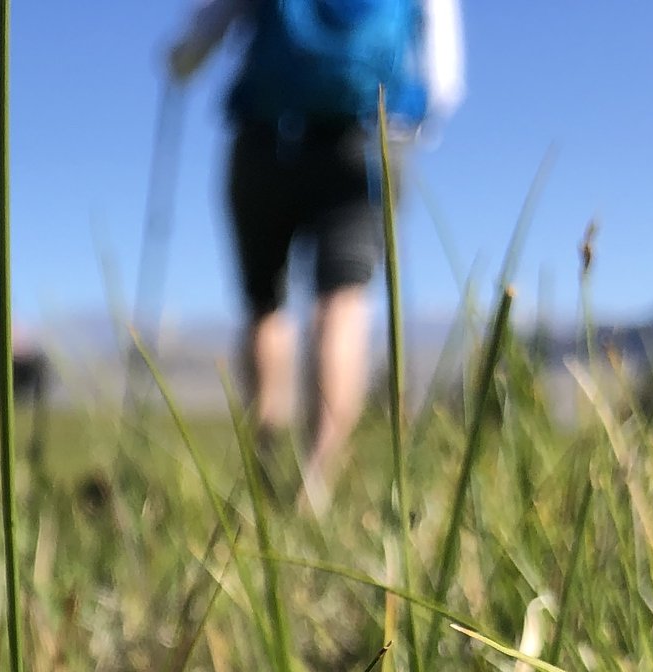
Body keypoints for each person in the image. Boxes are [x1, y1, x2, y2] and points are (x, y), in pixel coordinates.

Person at [166, 0, 464, 507]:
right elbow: (444, 81)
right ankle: (316, 487)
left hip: (267, 142)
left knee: (265, 305)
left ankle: (263, 461)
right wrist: (411, 129)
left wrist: (181, 61)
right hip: (364, 144)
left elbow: (198, 42)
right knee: (343, 304)